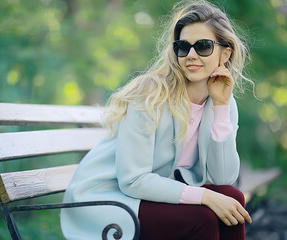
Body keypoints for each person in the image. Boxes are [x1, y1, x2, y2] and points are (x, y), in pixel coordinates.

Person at [61, 0, 254, 239]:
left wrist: (222, 108)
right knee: (202, 217)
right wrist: (204, 196)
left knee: (232, 198)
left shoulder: (223, 101)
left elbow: (223, 177)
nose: (191, 55)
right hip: (108, 198)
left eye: (203, 46)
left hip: (147, 194)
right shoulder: (151, 95)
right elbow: (133, 180)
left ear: (225, 52)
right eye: (183, 47)